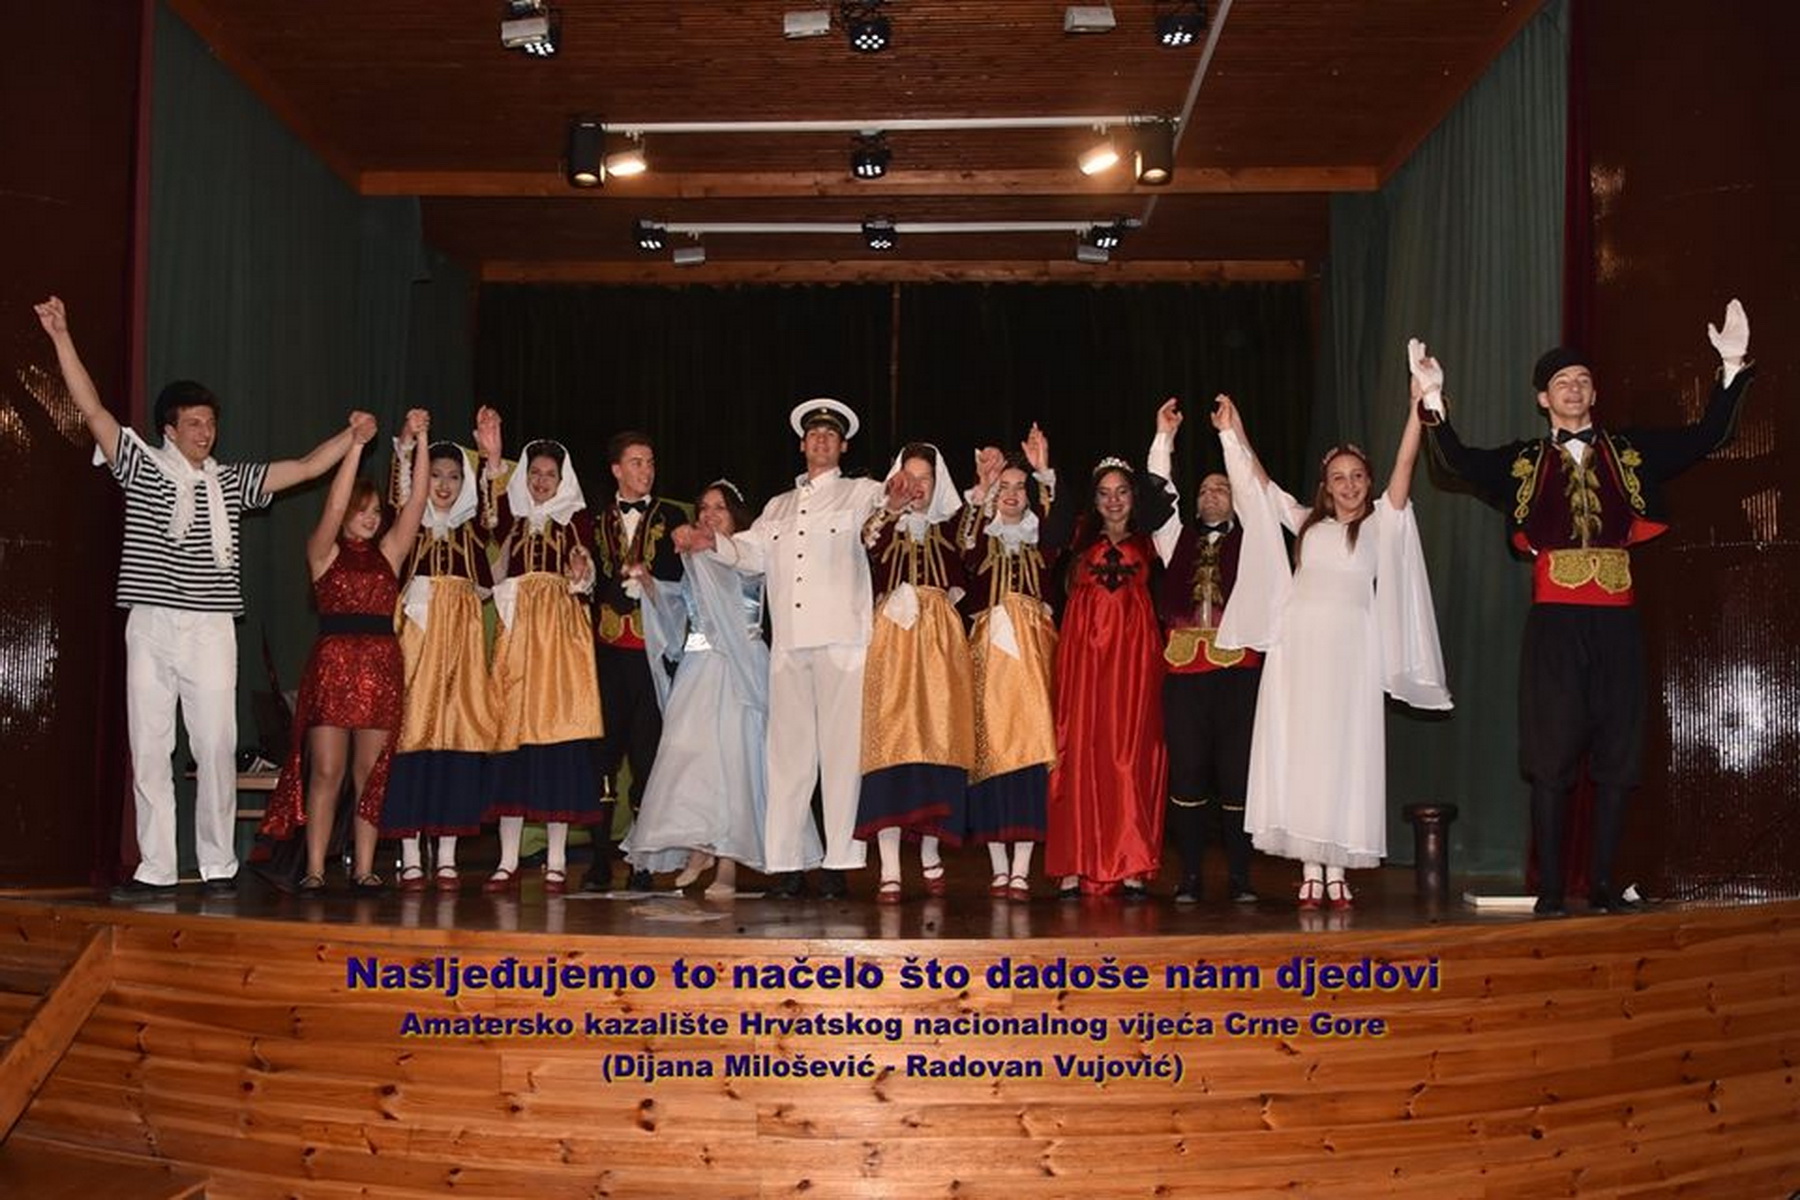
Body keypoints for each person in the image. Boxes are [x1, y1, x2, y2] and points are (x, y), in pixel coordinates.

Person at [1421, 304, 1754, 915]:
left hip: (1618, 622)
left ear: (1594, 393)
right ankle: (1552, 890)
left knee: (1619, 755)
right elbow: (1455, 462)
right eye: (1560, 382)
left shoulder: (1631, 451)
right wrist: (1433, 402)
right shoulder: (1522, 461)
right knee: (1551, 755)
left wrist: (1730, 367)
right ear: (1542, 399)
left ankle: (1601, 885)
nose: (1573, 389)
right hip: (1555, 624)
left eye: (1582, 380)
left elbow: (1709, 436)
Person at [33, 296, 369, 901]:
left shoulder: (230, 481)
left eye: (211, 423)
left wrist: (353, 437)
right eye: (193, 423)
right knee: (150, 746)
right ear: (169, 429)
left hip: (212, 627)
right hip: (152, 624)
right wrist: (61, 336)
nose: (205, 432)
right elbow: (92, 408)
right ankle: (156, 867)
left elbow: (303, 468)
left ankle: (217, 865)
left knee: (215, 745)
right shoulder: (140, 464)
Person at [1215, 381, 1452, 910]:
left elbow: (1405, 465)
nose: (1349, 486)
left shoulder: (1381, 524)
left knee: (1344, 751)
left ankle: (1338, 867)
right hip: (1298, 651)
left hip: (1351, 653)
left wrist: (1415, 409)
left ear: (1368, 481)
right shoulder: (1307, 522)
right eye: (1339, 478)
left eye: (1357, 477)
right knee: (1303, 750)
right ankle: (1310, 868)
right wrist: (1236, 430)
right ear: (1325, 485)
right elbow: (1261, 483)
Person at [676, 398, 907, 899]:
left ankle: (839, 864)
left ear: (843, 446)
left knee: (841, 756)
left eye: (830, 435)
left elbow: (887, 507)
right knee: (787, 757)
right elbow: (750, 553)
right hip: (790, 644)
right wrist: (711, 543)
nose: (821, 441)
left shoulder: (859, 491)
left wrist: (896, 496)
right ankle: (786, 861)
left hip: (842, 640)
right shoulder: (777, 507)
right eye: (813, 435)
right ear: (802, 444)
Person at [261, 410, 431, 891]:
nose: (372, 517)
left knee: (370, 774)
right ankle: (315, 869)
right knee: (327, 771)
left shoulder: (390, 554)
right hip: (334, 668)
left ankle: (365, 868)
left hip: (380, 667)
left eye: (376, 510)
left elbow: (417, 502)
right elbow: (333, 508)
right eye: (364, 509)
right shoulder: (324, 552)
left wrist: (422, 440)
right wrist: (356, 445)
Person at [621, 481, 790, 898]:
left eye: (720, 508)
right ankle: (701, 845)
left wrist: (699, 549)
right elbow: (682, 604)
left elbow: (734, 602)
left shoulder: (748, 554)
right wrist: (650, 585)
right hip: (699, 666)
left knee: (736, 759)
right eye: (704, 508)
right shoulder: (695, 555)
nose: (710, 515)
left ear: (735, 516)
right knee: (690, 755)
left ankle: (727, 863)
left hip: (739, 666)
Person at [1040, 420, 1176, 898]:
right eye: (1104, 493)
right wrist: (1045, 472)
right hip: (1083, 657)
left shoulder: (1154, 539)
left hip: (1134, 659)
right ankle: (1074, 859)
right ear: (1093, 500)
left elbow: (1163, 497)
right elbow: (1050, 528)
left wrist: (1161, 438)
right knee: (1078, 747)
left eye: (1122, 492)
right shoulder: (1077, 534)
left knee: (1128, 751)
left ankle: (1131, 858)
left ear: (1133, 497)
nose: (1113, 501)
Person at [474, 407, 605, 894]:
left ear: (562, 479)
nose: (542, 481)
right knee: (512, 737)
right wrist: (492, 459)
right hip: (518, 636)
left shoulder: (575, 519)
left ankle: (555, 859)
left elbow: (585, 569)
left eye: (550, 474)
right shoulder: (514, 514)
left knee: (558, 738)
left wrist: (579, 569)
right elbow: (489, 520)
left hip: (559, 637)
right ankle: (507, 859)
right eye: (535, 473)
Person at [1146, 399, 1264, 904]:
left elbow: (1256, 488)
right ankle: (1190, 874)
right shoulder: (1175, 540)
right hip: (1185, 677)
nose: (1212, 494)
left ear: (1236, 501)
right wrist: (1164, 439)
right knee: (1188, 774)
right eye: (1204, 490)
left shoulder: (1257, 542)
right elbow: (1160, 494)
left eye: (1222, 488)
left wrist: (1229, 437)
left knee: (1238, 776)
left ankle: (1240, 876)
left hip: (1239, 672)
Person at [855, 442, 974, 903]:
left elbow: (976, 544)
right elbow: (867, 541)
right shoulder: (882, 523)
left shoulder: (952, 527)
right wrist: (891, 506)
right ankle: (889, 864)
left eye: (925, 477)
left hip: (940, 642)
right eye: (909, 476)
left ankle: (929, 849)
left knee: (937, 738)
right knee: (891, 742)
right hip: (892, 638)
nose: (917, 485)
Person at [381, 435, 497, 892]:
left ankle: (447, 853)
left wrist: (490, 456)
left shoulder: (471, 531)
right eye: (434, 476)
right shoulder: (409, 531)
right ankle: (411, 852)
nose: (444, 486)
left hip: (460, 649)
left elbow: (494, 513)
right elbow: (397, 498)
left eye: (453, 477)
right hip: (417, 643)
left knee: (457, 737)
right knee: (411, 737)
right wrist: (410, 444)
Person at [584, 431, 686, 893]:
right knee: (603, 756)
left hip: (650, 654)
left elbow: (682, 585)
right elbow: (587, 579)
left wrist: (651, 585)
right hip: (606, 654)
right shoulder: (593, 521)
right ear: (616, 470)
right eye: (637, 462)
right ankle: (599, 859)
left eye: (650, 462)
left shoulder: (672, 517)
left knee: (647, 759)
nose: (646, 470)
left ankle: (642, 861)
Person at [957, 435, 1058, 901]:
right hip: (988, 651)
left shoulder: (1044, 538)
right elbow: (963, 544)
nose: (1012, 494)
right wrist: (981, 490)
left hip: (1035, 652)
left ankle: (1022, 867)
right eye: (1005, 487)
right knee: (990, 750)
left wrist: (1043, 472)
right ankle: (999, 866)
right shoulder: (982, 537)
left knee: (1032, 749)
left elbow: (1060, 528)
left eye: (1020, 487)